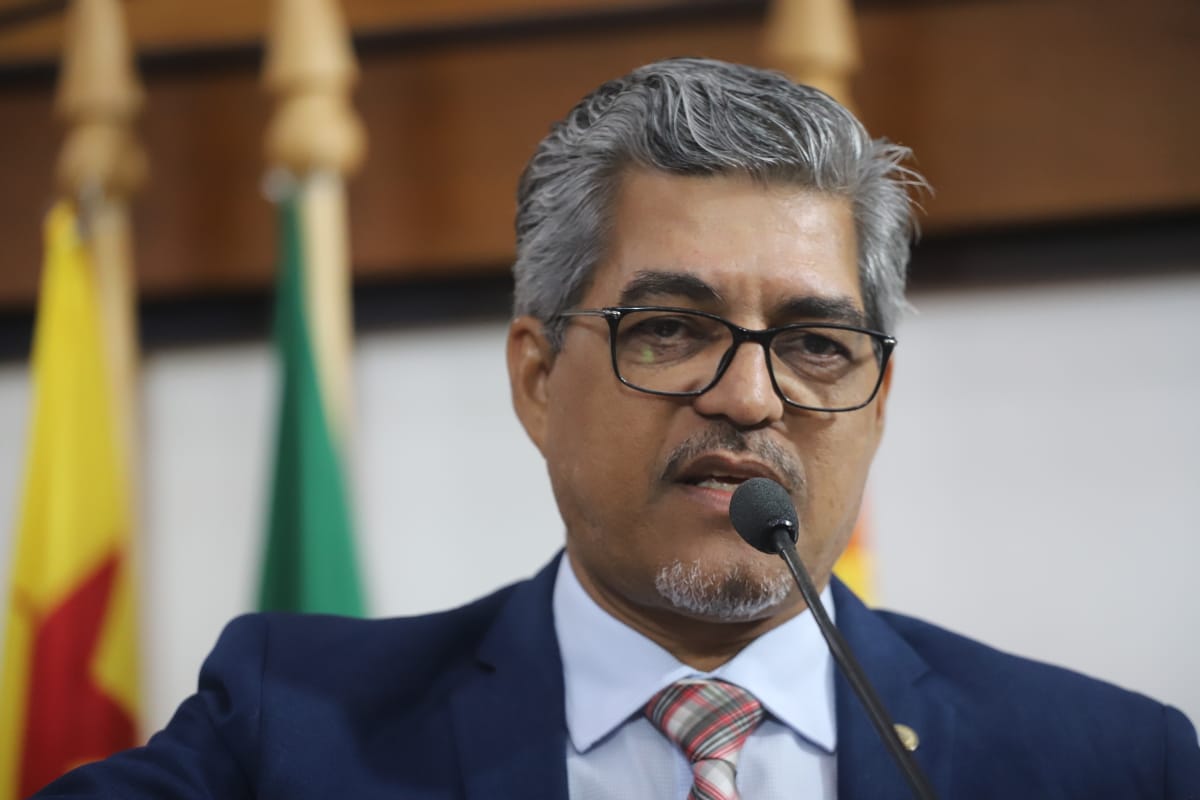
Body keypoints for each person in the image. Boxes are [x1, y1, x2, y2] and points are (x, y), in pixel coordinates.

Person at [34, 57, 1198, 799]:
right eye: (672, 328)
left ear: (878, 403)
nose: (751, 398)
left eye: (815, 344)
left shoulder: (1107, 763)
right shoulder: (290, 731)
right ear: (539, 378)